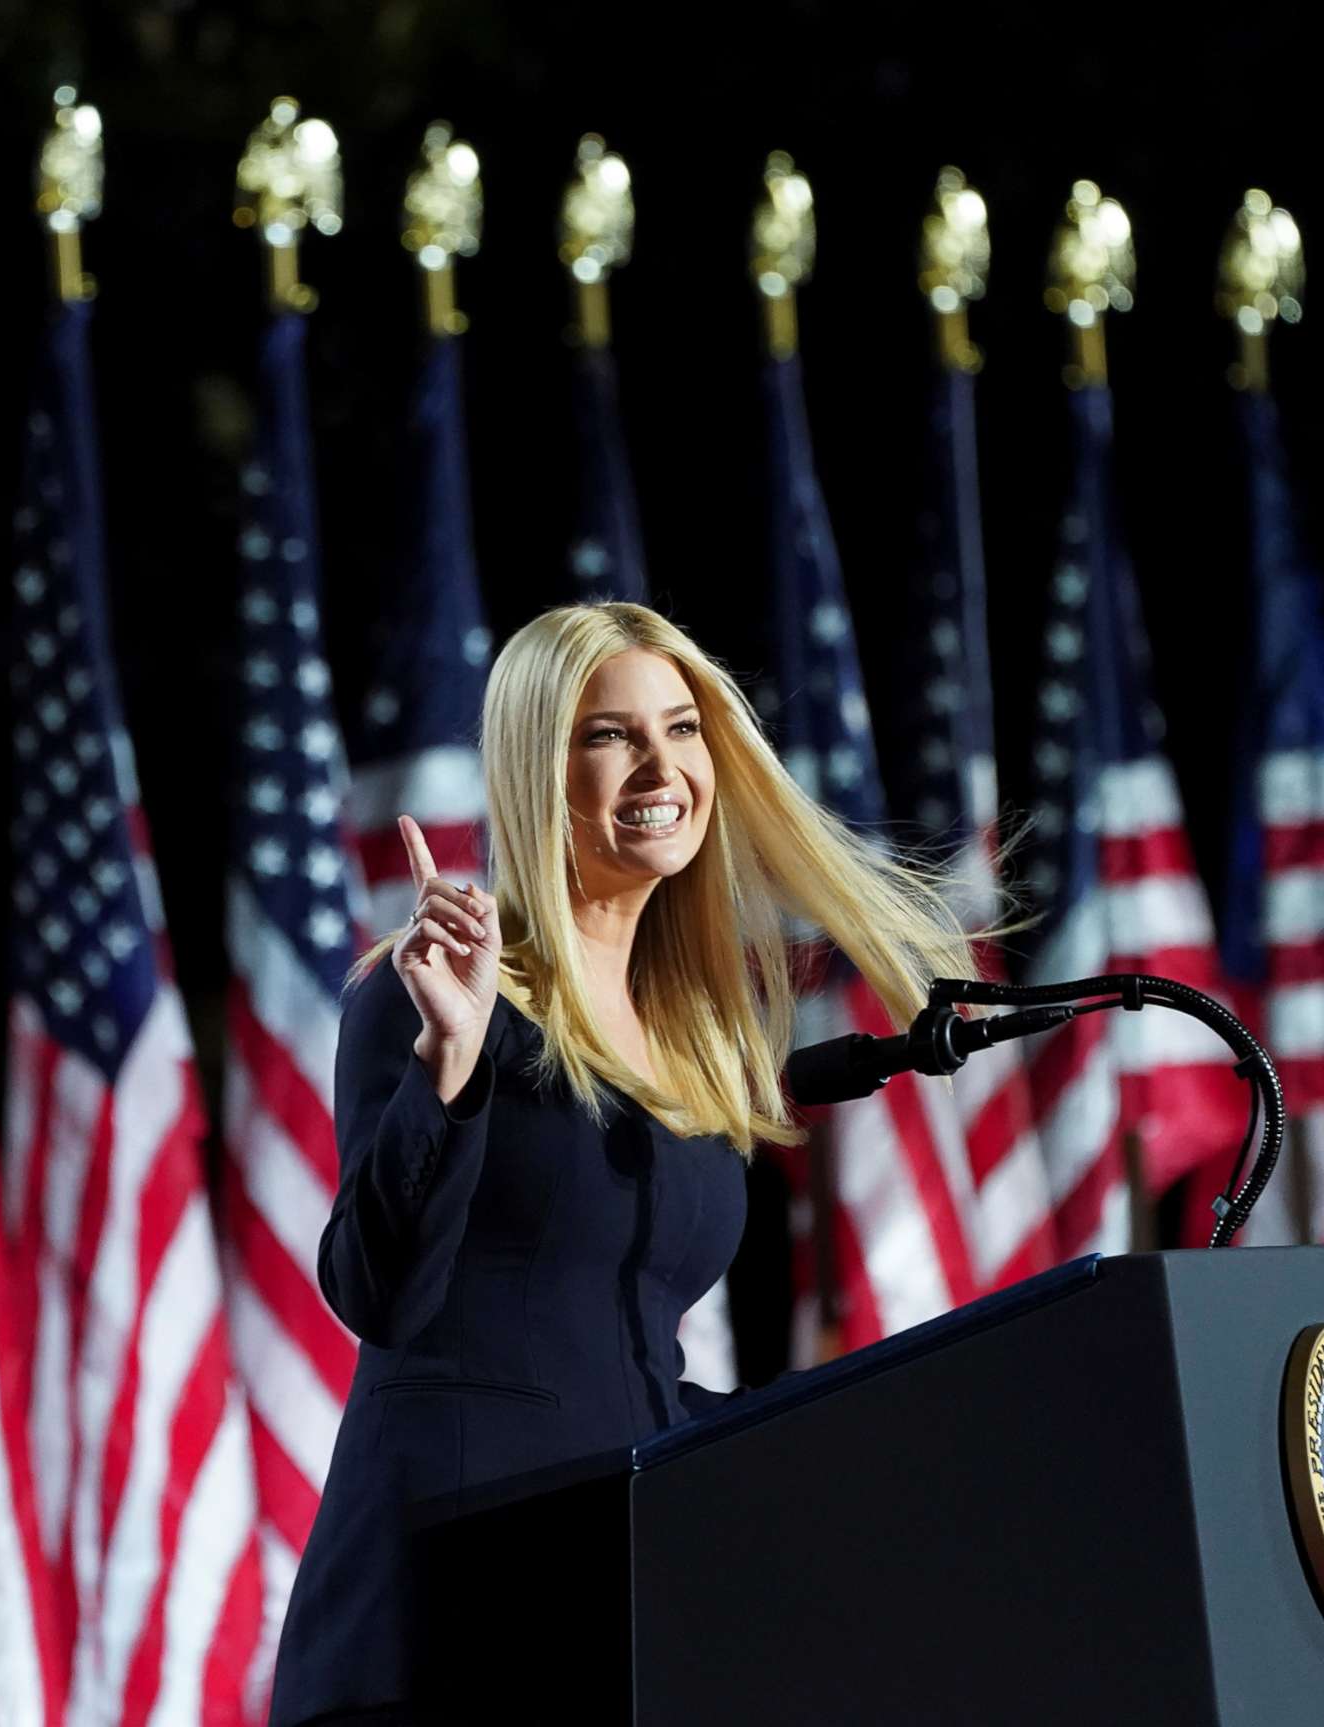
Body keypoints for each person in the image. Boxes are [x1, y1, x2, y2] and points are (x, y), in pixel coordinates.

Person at [270, 601, 990, 1726]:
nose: (663, 764)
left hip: (621, 1599)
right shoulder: (436, 996)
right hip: (450, 1610)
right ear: (537, 768)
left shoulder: (694, 1033)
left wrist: (850, 1436)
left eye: (683, 727)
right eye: (610, 735)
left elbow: (625, 1361)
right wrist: (448, 1064)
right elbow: (382, 1291)